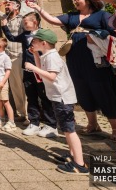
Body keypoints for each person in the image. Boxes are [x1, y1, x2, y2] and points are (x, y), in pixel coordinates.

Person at [27, 0, 116, 141]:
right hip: (75, 58)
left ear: (88, 0)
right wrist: (37, 8)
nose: (75, 2)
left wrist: (98, 35)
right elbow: (53, 20)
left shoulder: (101, 15)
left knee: (102, 90)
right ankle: (93, 124)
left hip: (96, 59)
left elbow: (115, 32)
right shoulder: (72, 16)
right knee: (82, 89)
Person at [24, 29, 88, 175]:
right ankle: (73, 156)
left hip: (62, 98)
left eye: (35, 41)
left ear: (43, 43)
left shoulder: (52, 57)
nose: (32, 42)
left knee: (69, 130)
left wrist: (32, 67)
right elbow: (42, 69)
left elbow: (51, 76)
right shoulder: (47, 55)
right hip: (59, 97)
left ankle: (79, 164)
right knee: (66, 129)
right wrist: (35, 54)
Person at [2, 12, 58, 137]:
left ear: (35, 22)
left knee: (45, 97)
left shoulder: (44, 34)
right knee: (31, 97)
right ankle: (34, 123)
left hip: (41, 70)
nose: (24, 23)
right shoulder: (25, 34)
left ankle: (51, 125)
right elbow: (12, 38)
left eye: (26, 21)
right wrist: (5, 26)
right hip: (28, 71)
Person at [0, 0, 28, 124]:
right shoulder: (5, 17)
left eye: (9, 4)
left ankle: (30, 116)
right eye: (6, 5)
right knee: (14, 86)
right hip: (9, 56)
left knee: (22, 85)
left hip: (19, 54)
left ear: (17, 6)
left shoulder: (22, 18)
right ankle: (21, 113)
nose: (6, 7)